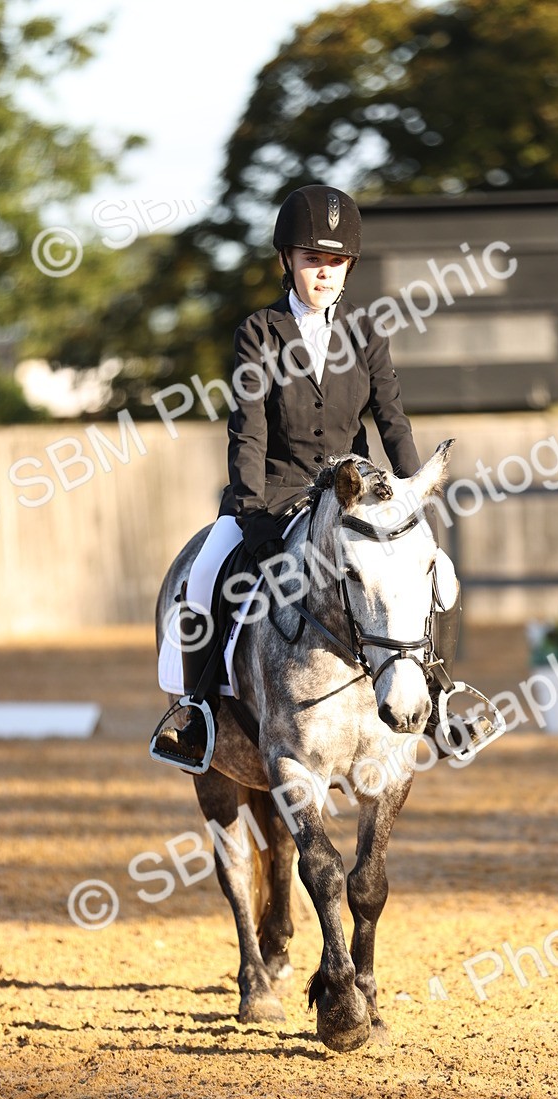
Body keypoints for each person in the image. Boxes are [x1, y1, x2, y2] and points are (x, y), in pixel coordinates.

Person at [152, 184, 469, 770]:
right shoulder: (259, 332)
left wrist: (407, 497)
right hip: (270, 495)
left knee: (439, 571)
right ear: (287, 262)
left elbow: (391, 420)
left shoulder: (367, 332)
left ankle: (443, 696)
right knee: (203, 579)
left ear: (349, 268)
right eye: (312, 260)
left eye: (335, 262)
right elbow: (246, 432)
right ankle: (194, 713)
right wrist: (250, 518)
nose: (323, 274)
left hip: (352, 498)